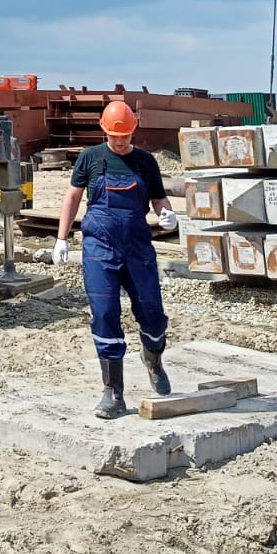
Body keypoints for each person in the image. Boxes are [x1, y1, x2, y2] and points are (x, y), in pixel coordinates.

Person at [51, 100, 178, 419]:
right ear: (103, 130)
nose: (119, 141)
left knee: (152, 314)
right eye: (113, 136)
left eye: (124, 136)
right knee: (104, 313)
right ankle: (112, 393)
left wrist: (167, 214)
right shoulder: (90, 158)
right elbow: (72, 197)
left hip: (137, 246)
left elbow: (158, 198)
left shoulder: (145, 161)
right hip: (100, 247)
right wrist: (61, 238)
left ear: (133, 130)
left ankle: (153, 358)